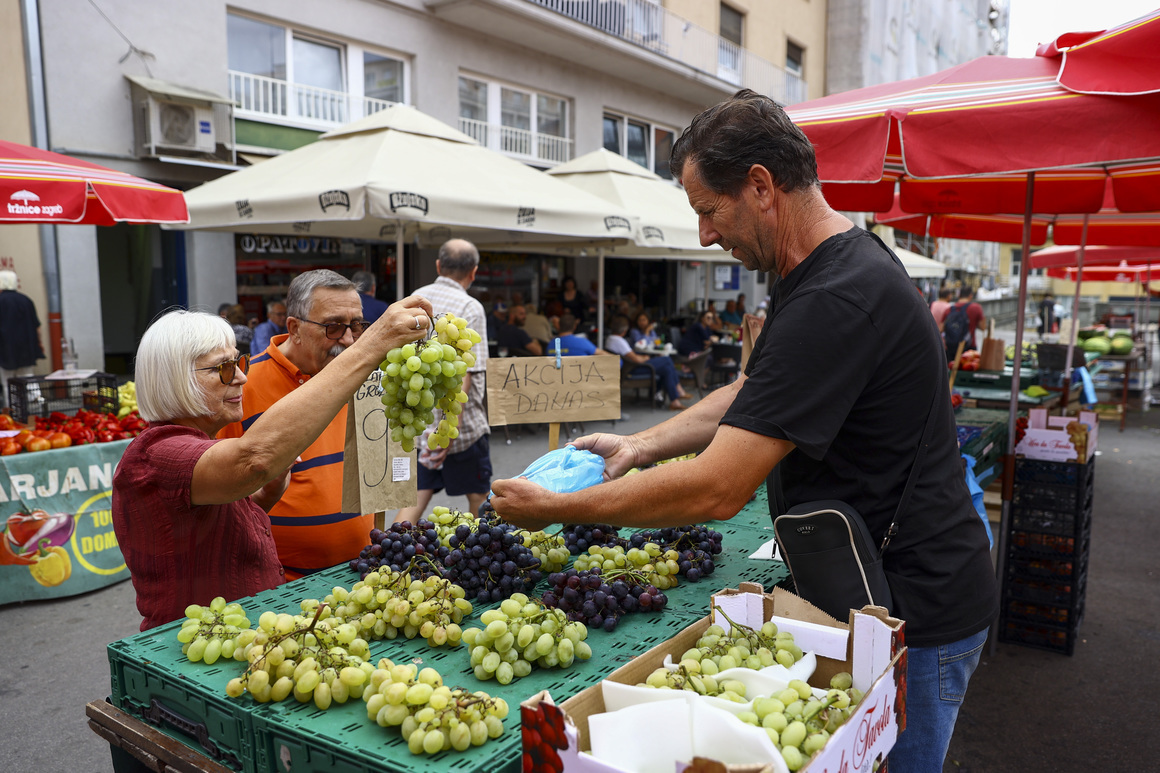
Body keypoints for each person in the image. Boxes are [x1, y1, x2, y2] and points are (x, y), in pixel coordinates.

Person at [491, 88, 996, 773]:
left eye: (708, 209)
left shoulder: (834, 296)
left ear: (761, 185)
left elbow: (718, 488)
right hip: (877, 582)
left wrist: (554, 510)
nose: (703, 234)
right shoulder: (819, 270)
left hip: (920, 605)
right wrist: (643, 443)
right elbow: (755, 391)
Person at [111, 297, 431, 629]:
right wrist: (372, 344)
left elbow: (208, 525)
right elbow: (254, 460)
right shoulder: (158, 453)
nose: (240, 378)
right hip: (195, 647)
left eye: (239, 363)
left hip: (241, 637)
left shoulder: (198, 443)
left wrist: (265, 496)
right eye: (223, 368)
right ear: (176, 378)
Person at [218, 270, 389, 579]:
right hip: (279, 588)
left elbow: (377, 478)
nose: (349, 339)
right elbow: (221, 500)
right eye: (334, 326)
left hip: (362, 573)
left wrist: (380, 550)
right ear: (294, 328)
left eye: (357, 325)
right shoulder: (242, 387)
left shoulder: (367, 381)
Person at [395, 239, 492, 524]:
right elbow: (467, 374)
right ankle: (479, 551)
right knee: (478, 496)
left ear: (438, 265)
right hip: (462, 427)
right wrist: (450, 430)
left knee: (415, 494)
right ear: (473, 272)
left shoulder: (416, 298)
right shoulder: (470, 306)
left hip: (420, 419)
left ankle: (389, 550)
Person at [605, 315, 690, 410]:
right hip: (632, 369)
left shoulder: (610, 339)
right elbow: (636, 359)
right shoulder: (619, 341)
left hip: (629, 367)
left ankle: (674, 402)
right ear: (624, 330)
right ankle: (677, 390)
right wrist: (645, 358)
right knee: (666, 360)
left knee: (666, 369)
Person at [0, 270, 45, 409]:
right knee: (27, 377)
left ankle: (14, 410)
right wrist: (39, 343)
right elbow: (37, 326)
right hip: (26, 347)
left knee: (8, 381)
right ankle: (37, 404)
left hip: (5, 348)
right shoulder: (26, 300)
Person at [944, 286, 986, 360]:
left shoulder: (949, 309)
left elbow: (940, 328)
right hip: (969, 348)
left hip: (950, 347)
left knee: (950, 369)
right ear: (970, 296)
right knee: (967, 369)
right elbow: (983, 327)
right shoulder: (976, 308)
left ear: (959, 295)